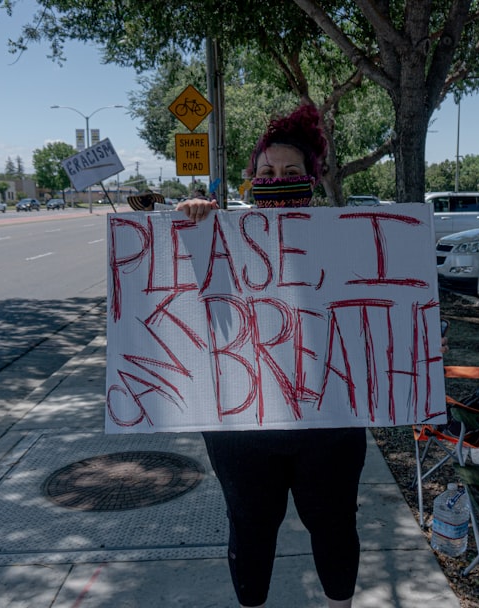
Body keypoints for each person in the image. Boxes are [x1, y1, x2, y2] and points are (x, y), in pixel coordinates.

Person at [176, 105, 365, 608]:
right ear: (249, 181)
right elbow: (180, 303)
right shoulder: (218, 236)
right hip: (243, 427)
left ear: (312, 180)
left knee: (334, 525)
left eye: (290, 173)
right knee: (251, 529)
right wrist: (194, 226)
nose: (276, 181)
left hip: (329, 424)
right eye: (266, 173)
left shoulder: (348, 239)